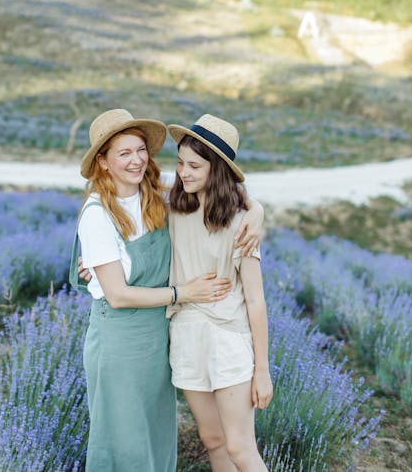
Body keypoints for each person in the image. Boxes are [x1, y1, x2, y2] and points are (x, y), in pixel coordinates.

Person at [70, 108, 264, 472]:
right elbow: (118, 295)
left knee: (157, 440)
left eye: (140, 149)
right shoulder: (98, 214)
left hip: (159, 340)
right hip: (121, 343)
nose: (136, 160)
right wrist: (183, 293)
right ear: (104, 162)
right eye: (123, 153)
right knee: (124, 444)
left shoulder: (154, 201)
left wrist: (257, 211)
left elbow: (221, 191)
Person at [167, 113, 273, 472]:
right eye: (180, 163)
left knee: (241, 449)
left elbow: (256, 300)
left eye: (195, 165)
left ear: (218, 169)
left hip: (228, 339)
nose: (184, 172)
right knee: (212, 440)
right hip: (185, 335)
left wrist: (263, 371)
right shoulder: (172, 209)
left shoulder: (242, 221)